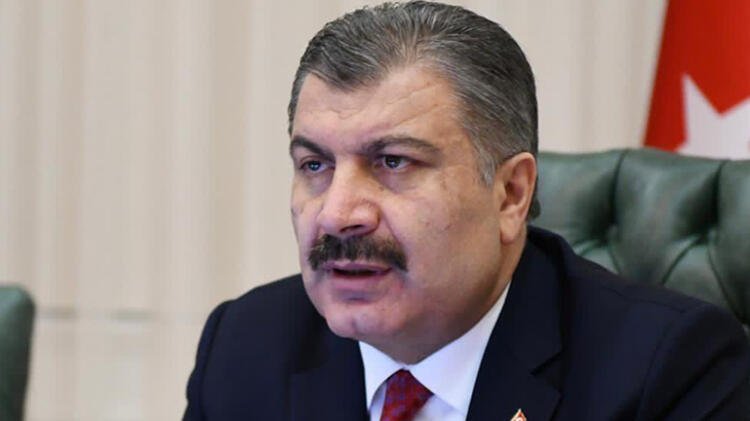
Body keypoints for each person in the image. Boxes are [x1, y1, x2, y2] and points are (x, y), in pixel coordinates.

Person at [184, 2, 750, 420]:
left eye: (393, 162)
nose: (337, 214)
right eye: (315, 165)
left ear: (511, 195)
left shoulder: (670, 371)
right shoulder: (246, 345)